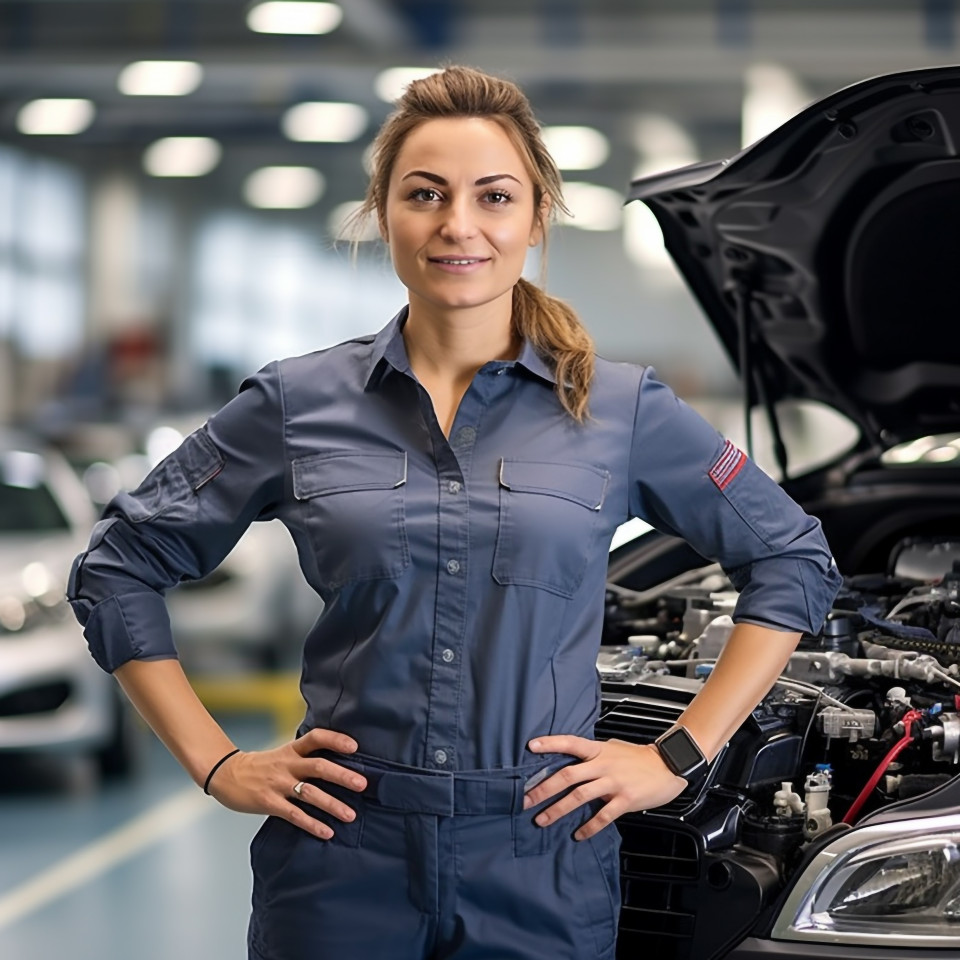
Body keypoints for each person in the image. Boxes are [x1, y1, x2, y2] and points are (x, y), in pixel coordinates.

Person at [68, 65, 842, 960]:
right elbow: (118, 565)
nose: (458, 225)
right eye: (424, 194)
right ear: (382, 213)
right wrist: (217, 761)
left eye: (494, 195)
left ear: (536, 219)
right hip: (340, 856)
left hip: (542, 854)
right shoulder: (294, 404)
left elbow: (790, 556)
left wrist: (677, 754)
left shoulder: (621, 410)